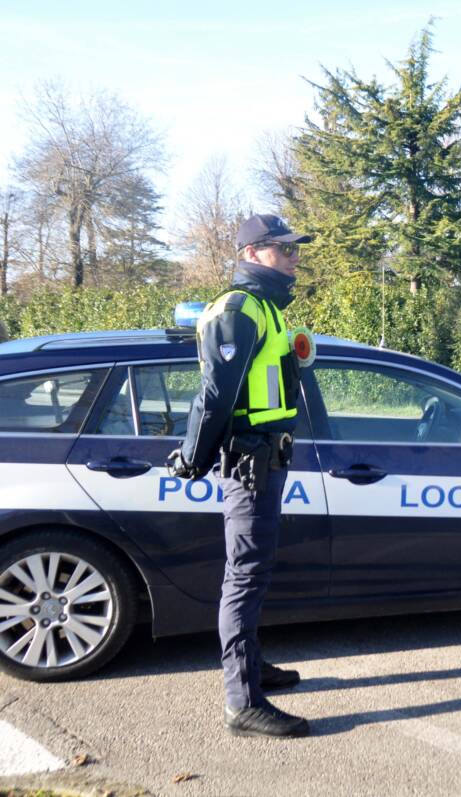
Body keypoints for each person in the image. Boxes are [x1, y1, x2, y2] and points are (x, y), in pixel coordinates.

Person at [167, 214, 313, 738]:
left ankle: (253, 668)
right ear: (252, 253)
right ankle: (242, 701)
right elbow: (215, 396)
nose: (294, 259)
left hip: (269, 457)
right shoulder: (238, 309)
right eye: (284, 250)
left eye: (295, 251)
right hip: (250, 460)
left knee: (256, 569)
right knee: (245, 574)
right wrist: (193, 457)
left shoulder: (265, 308)